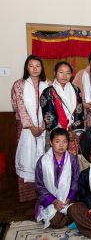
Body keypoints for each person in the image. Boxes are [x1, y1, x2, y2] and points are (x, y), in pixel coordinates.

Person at [11, 55, 49, 202]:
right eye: (31, 66)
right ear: (27, 67)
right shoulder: (19, 85)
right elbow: (19, 107)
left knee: (44, 160)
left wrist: (42, 126)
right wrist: (31, 126)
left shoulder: (47, 84)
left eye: (37, 66)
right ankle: (28, 196)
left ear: (41, 68)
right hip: (26, 130)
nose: (34, 69)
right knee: (28, 158)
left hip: (44, 131)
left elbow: (50, 108)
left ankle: (45, 193)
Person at [35, 128, 80, 229]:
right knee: (55, 222)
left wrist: (69, 198)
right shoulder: (43, 161)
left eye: (64, 142)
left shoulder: (72, 160)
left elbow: (76, 181)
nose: (61, 145)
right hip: (50, 200)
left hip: (67, 200)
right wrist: (54, 201)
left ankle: (70, 215)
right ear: (51, 142)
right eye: (57, 141)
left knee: (77, 209)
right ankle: (73, 218)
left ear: (68, 143)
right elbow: (39, 185)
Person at [40, 61, 84, 154]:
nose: (65, 76)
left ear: (71, 75)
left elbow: (79, 111)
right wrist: (63, 132)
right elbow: (48, 116)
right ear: (55, 73)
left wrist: (74, 131)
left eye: (68, 73)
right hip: (55, 132)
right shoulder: (48, 92)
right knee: (53, 161)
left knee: (71, 161)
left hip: (72, 133)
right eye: (61, 72)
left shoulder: (76, 90)